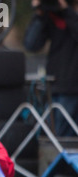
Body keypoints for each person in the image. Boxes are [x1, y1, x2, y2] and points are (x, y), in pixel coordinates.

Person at [24, 0, 78, 136]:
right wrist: (40, 13)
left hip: (73, 88)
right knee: (50, 137)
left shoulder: (70, 14)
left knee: (66, 139)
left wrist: (67, 11)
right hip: (53, 86)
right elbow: (31, 44)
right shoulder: (52, 14)